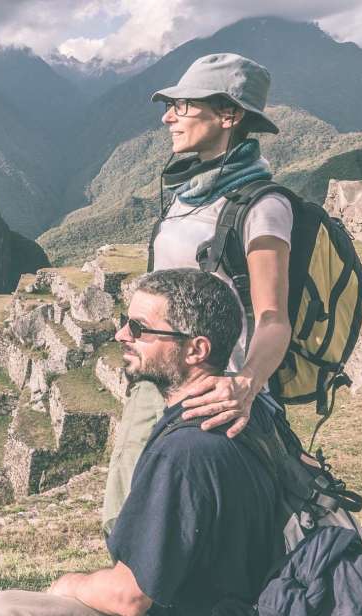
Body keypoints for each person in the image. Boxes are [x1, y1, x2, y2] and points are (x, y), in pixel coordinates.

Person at [0, 268, 283, 616]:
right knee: (6, 601)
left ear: (195, 349)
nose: (121, 334)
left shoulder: (182, 454)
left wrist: (70, 583)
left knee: (9, 610)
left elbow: (130, 598)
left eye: (139, 328)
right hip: (242, 597)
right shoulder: (251, 410)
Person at [102, 53, 293, 533]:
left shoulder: (262, 206)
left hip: (211, 389)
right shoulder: (189, 194)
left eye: (183, 106)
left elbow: (273, 317)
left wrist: (246, 385)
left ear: (227, 116)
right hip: (160, 375)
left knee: (177, 517)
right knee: (128, 503)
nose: (168, 117)